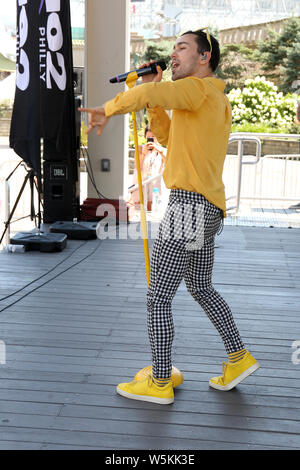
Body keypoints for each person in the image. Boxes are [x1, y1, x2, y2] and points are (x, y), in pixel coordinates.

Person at [79, 29, 260, 405]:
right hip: (209, 208)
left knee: (158, 297)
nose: (172, 55)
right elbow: (166, 136)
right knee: (200, 287)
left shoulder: (198, 90)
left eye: (182, 48)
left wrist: (110, 108)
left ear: (205, 57)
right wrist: (153, 93)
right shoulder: (209, 98)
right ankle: (239, 357)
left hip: (189, 205)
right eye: (172, 49)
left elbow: (145, 95)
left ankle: (160, 381)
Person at [129, 125, 166, 211]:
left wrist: (158, 150)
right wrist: (144, 153)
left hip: (155, 188)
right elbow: (138, 167)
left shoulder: (162, 150)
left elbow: (168, 162)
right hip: (140, 186)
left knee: (152, 213)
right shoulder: (140, 148)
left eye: (153, 136)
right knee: (138, 215)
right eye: (148, 137)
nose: (151, 139)